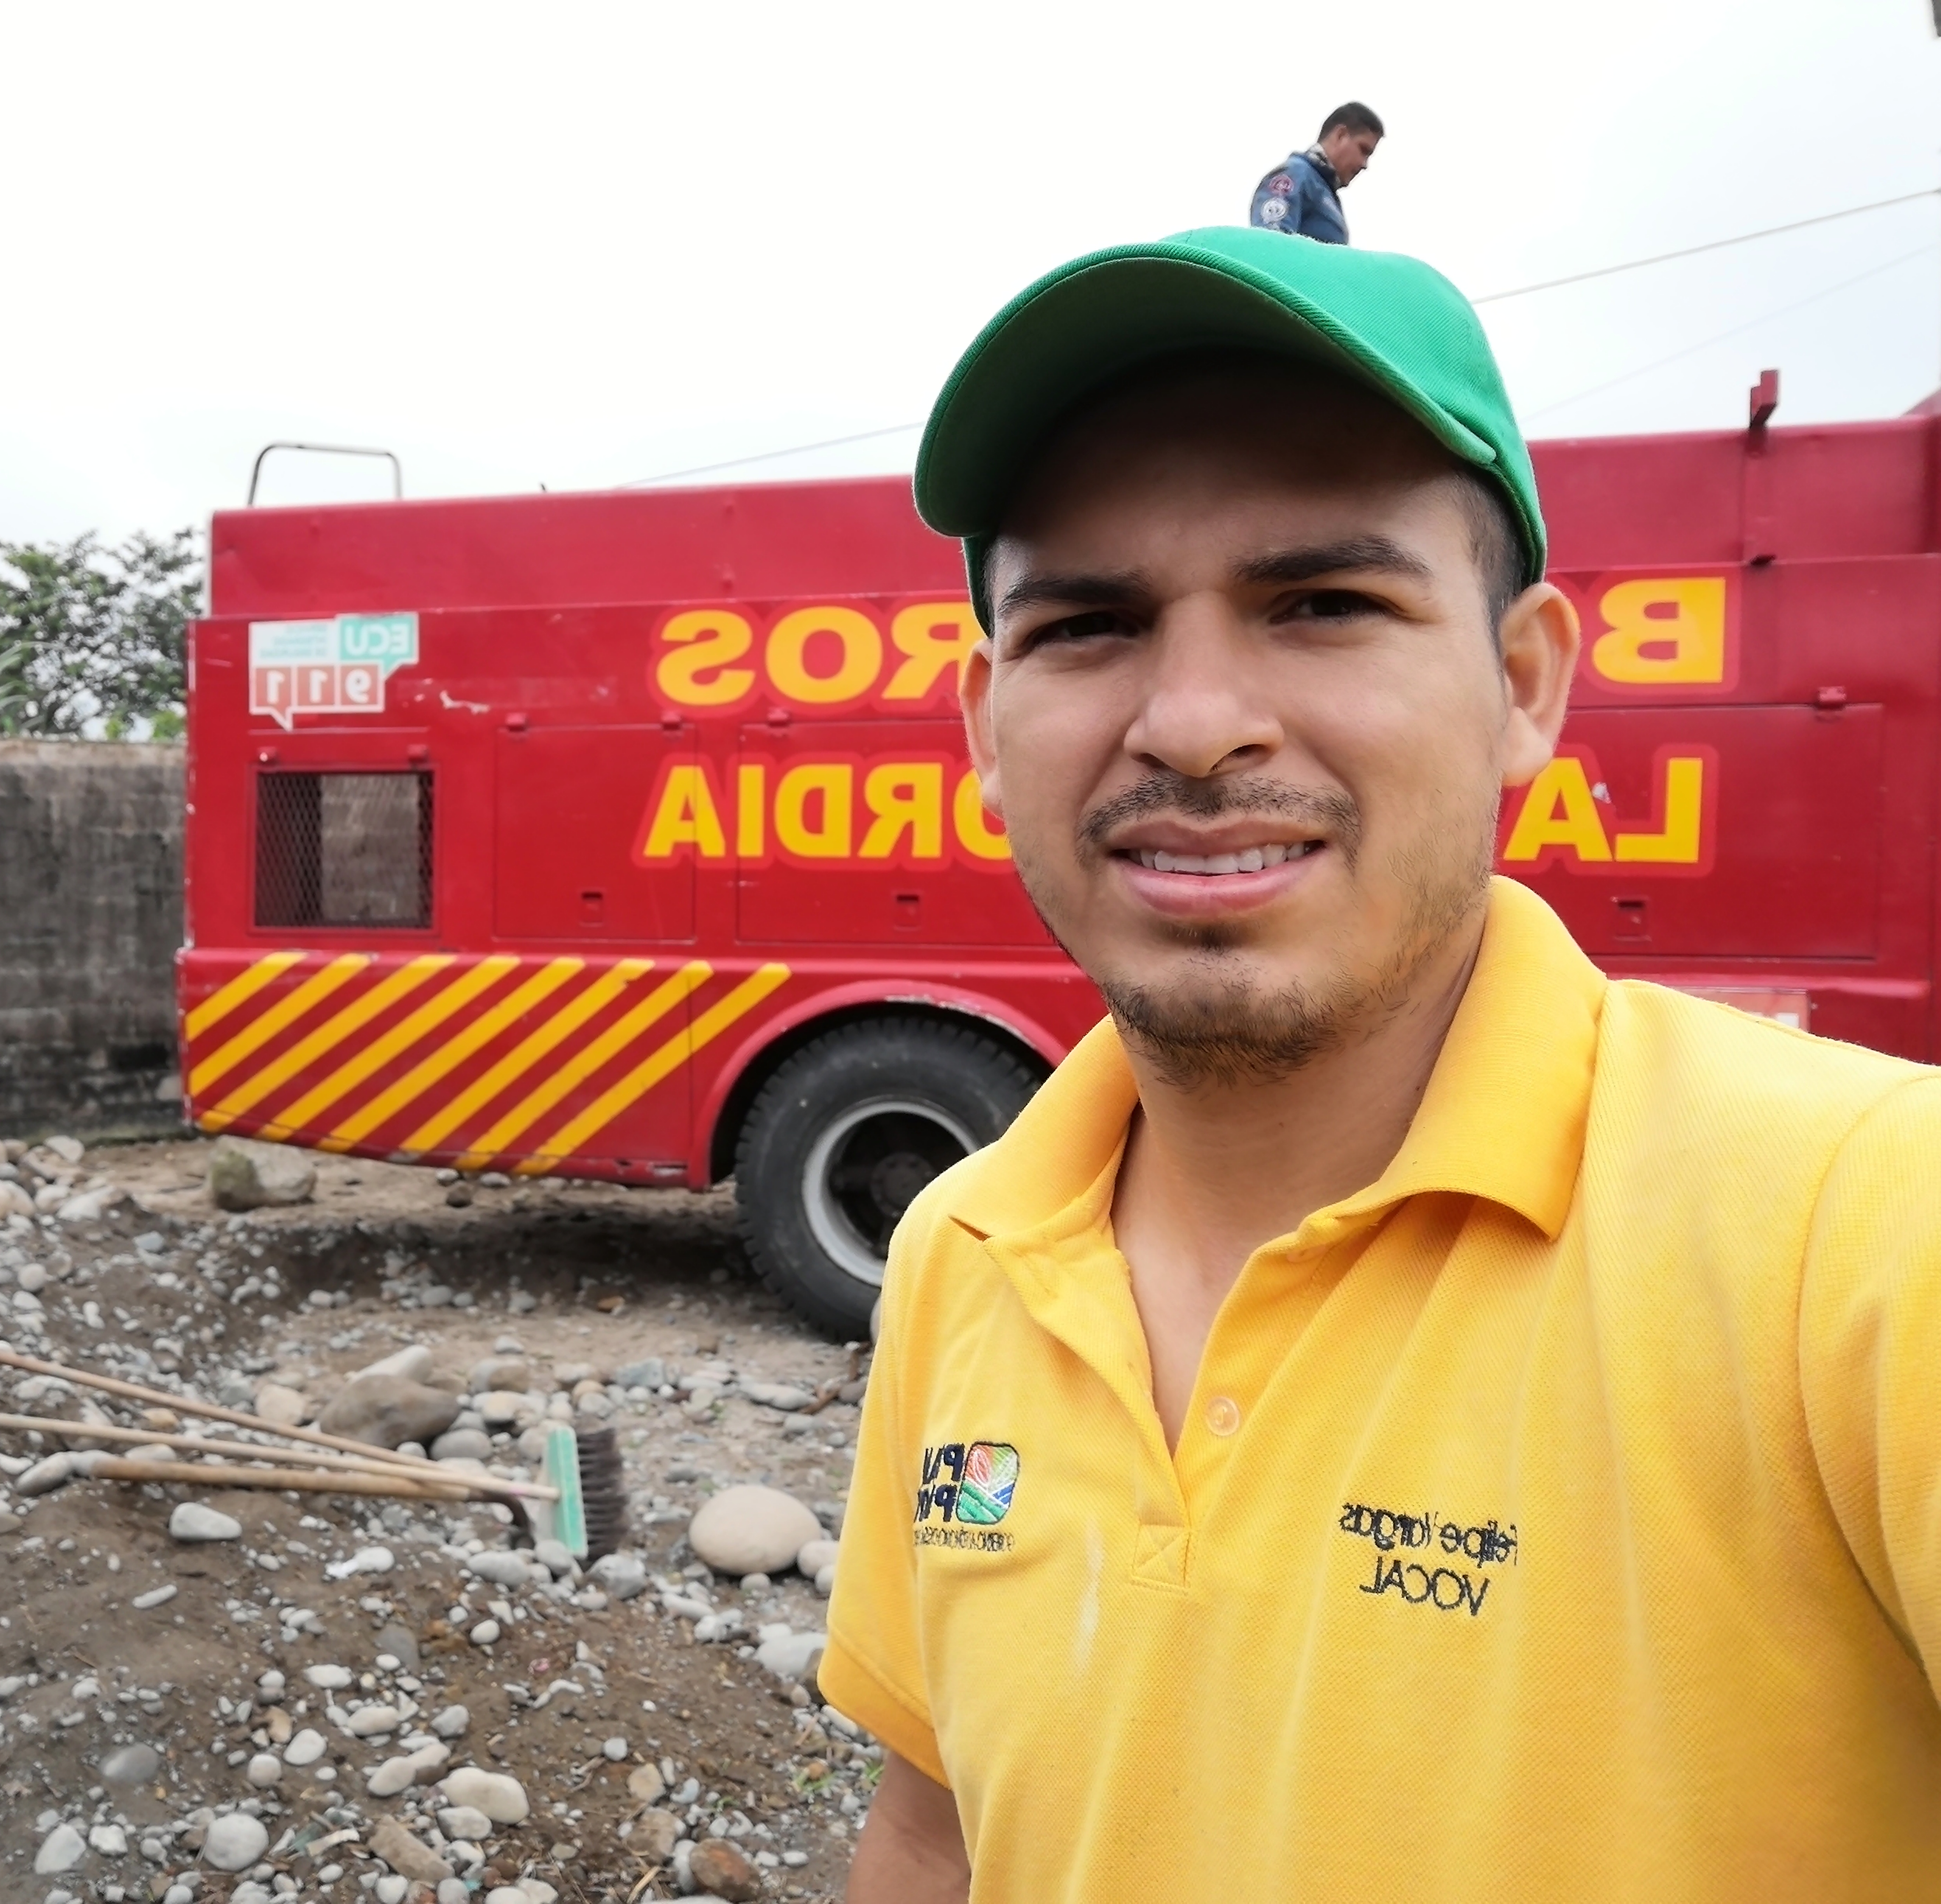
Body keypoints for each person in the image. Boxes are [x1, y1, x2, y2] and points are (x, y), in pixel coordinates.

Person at [825, 227, 1941, 1899]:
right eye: (1089, 625)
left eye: (1323, 604)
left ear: (1522, 686)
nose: (1193, 722)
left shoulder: (1863, 1239)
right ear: (986, 726)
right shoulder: (960, 1250)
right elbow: (934, 1837)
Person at [1250, 101, 1381, 244]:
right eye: (1363, 150)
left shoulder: (1325, 193)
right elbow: (1271, 242)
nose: (1364, 165)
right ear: (1341, 135)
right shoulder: (1296, 174)